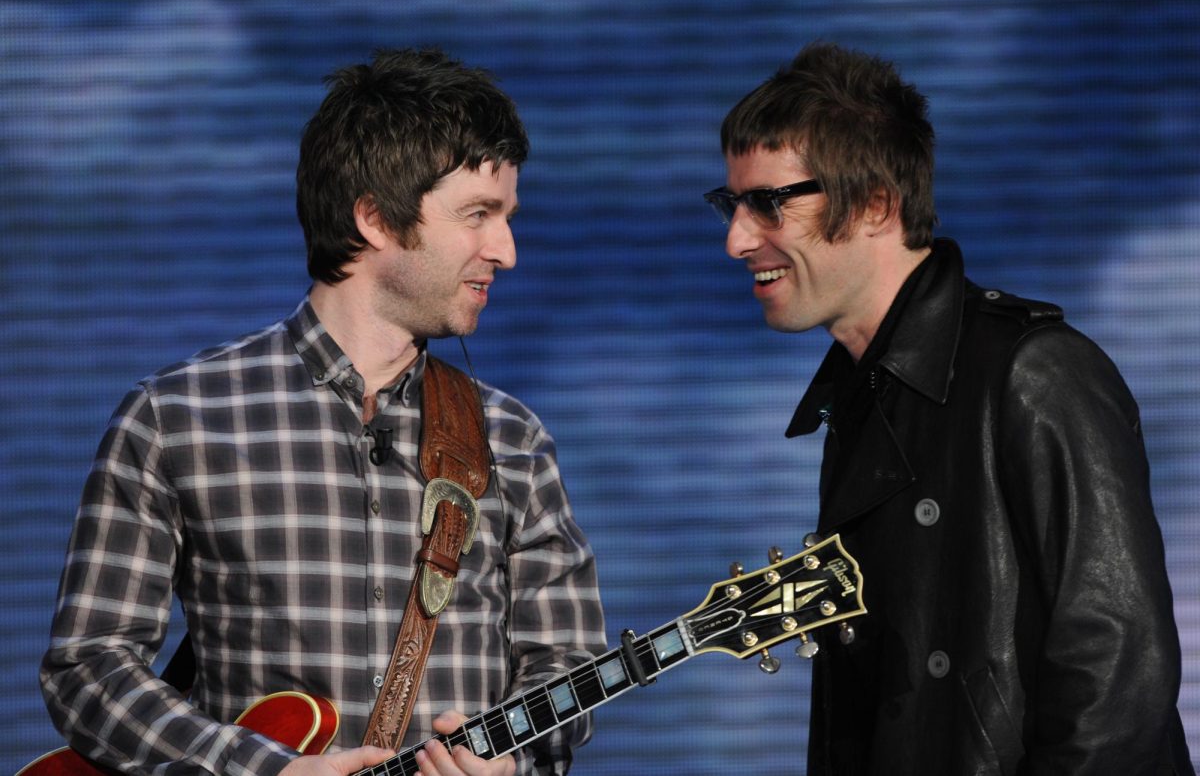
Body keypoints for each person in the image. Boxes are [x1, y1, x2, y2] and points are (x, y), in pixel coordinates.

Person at [40, 47, 606, 776]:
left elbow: (566, 669)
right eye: (479, 215)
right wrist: (257, 767)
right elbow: (88, 669)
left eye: (507, 216)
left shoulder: (512, 439)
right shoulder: (176, 417)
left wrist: (514, 767)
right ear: (374, 218)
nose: (507, 250)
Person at [705, 42, 1193, 774]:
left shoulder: (1036, 372)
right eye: (731, 204)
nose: (737, 238)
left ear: (875, 204)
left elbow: (1119, 683)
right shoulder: (859, 401)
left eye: (769, 203)